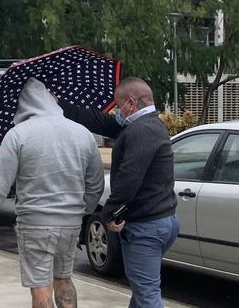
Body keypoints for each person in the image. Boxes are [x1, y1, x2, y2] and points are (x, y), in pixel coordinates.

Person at [0, 78, 105, 308]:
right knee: (64, 278)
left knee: (40, 286)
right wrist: (81, 210)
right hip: (71, 223)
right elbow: (95, 184)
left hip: (35, 223)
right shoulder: (83, 133)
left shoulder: (17, 135)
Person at [60, 77, 179, 308]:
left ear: (131, 103)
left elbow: (128, 181)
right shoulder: (146, 125)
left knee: (147, 296)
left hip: (146, 227)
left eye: (118, 106)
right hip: (162, 221)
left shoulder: (142, 131)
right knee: (142, 291)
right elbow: (101, 121)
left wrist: (109, 215)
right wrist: (60, 104)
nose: (116, 111)